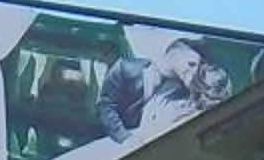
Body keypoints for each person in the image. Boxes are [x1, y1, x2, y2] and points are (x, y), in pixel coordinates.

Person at [97, 39, 234, 142]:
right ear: (174, 53)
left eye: (197, 70)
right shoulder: (124, 69)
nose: (192, 74)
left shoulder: (182, 93)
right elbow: (106, 106)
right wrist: (125, 138)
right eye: (191, 64)